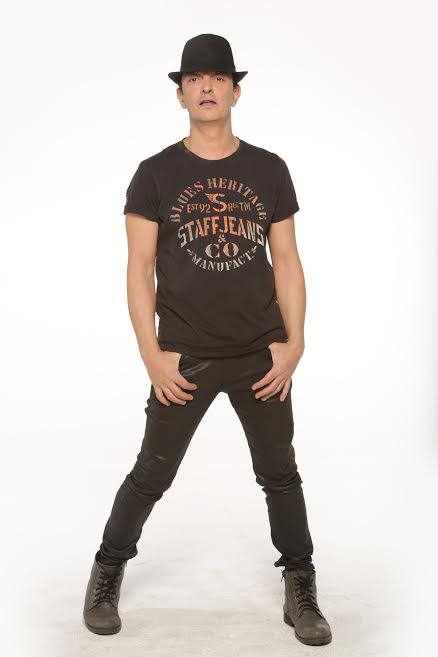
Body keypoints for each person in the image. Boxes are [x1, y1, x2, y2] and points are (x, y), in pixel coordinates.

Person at [83, 33, 332, 646]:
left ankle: (300, 585)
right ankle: (107, 570)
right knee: (152, 473)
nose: (206, 88)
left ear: (235, 91)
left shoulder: (269, 169)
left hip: (261, 354)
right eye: (194, 79)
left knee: (280, 474)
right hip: (184, 356)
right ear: (181, 95)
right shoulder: (154, 174)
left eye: (218, 77)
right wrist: (151, 355)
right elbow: (139, 268)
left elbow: (287, 260)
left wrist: (295, 343)